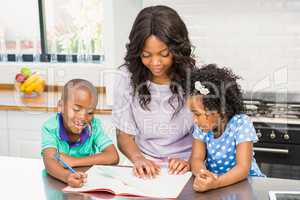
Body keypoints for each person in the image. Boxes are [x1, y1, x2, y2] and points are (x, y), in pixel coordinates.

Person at [113, 5, 195, 178]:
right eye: (146, 55)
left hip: (188, 165)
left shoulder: (195, 76)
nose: (155, 63)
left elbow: (208, 134)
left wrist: (192, 161)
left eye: (164, 54)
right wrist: (138, 159)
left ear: (177, 50)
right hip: (146, 165)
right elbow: (124, 135)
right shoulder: (126, 77)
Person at [187, 64, 265, 192]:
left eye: (197, 114)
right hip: (216, 184)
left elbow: (242, 169)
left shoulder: (241, 124)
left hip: (245, 184)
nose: (194, 119)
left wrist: (215, 183)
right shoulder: (201, 127)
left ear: (220, 110)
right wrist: (202, 174)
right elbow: (196, 159)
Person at [41, 79, 119, 188]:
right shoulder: (51, 128)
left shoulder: (94, 126)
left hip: (88, 182)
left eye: (90, 112)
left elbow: (113, 156)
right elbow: (49, 160)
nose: (83, 117)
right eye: (76, 109)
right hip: (59, 182)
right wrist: (67, 176)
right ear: (61, 106)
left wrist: (74, 161)